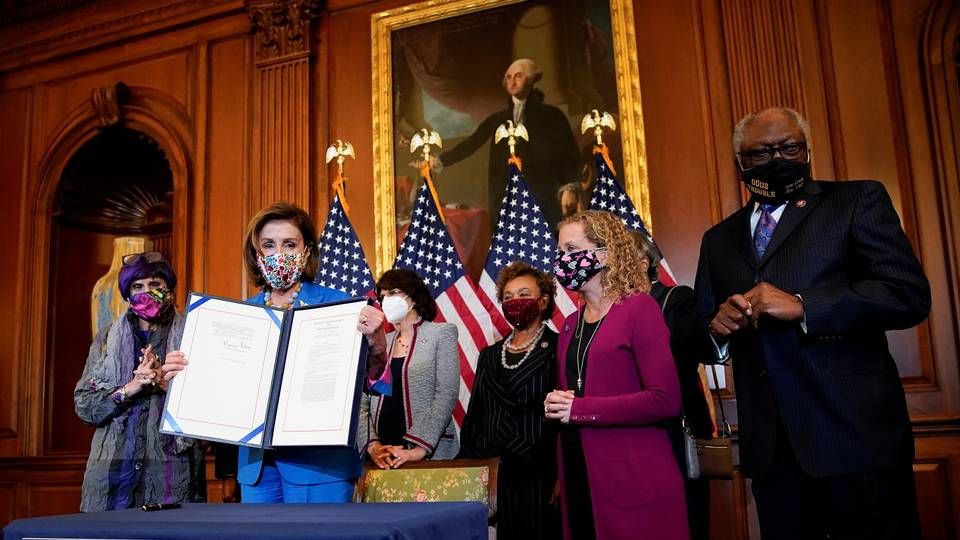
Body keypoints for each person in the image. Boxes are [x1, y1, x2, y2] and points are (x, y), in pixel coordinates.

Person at [694, 107, 930, 539]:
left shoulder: (856, 200)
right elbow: (704, 336)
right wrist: (716, 328)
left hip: (854, 437)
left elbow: (908, 295)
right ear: (740, 163)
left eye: (789, 147)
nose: (777, 158)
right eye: (762, 152)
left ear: (807, 151)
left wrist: (805, 305)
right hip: (772, 451)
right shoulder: (718, 239)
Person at [163, 202, 387, 503]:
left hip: (318, 466)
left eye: (289, 244)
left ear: (306, 250)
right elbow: (220, 388)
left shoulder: (341, 306)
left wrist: (377, 342)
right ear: (258, 255)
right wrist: (184, 374)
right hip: (257, 465)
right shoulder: (238, 315)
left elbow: (373, 382)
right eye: (269, 245)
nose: (278, 253)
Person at [544, 210, 688, 540]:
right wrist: (557, 405)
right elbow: (573, 395)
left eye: (571, 250)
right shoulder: (569, 325)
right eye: (560, 253)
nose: (562, 260)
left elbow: (665, 400)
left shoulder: (639, 309)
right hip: (579, 474)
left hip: (633, 479)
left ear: (605, 253)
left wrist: (580, 409)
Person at [74, 251, 205, 511]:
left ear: (169, 288)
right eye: (138, 286)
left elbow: (210, 409)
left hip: (171, 474)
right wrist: (130, 388)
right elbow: (84, 406)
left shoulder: (194, 334)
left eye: (156, 285)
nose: (147, 292)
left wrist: (169, 388)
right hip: (111, 475)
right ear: (127, 294)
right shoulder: (106, 339)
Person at [459, 261, 560, 540]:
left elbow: (566, 419)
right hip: (493, 469)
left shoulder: (559, 348)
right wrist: (468, 467)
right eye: (508, 297)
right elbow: (475, 414)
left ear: (542, 301)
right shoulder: (490, 355)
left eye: (524, 294)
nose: (515, 302)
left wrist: (563, 475)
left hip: (538, 471)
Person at [633, 232, 714, 540]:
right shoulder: (610, 310)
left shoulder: (676, 299)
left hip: (673, 432)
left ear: (642, 263)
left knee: (683, 522)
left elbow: (678, 358)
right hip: (634, 437)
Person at [438, 58, 579, 227]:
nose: (512, 81)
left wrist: (569, 187)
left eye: (518, 76)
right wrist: (440, 160)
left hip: (542, 197)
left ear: (532, 79)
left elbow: (567, 153)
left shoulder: (552, 116)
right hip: (506, 200)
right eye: (509, 77)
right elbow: (471, 143)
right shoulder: (497, 119)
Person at [358, 268, 460, 468]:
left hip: (428, 453)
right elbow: (361, 400)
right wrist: (373, 446)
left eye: (393, 293)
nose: (387, 300)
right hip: (383, 456)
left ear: (413, 297)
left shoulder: (442, 333)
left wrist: (418, 449)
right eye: (382, 296)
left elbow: (446, 393)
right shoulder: (379, 343)